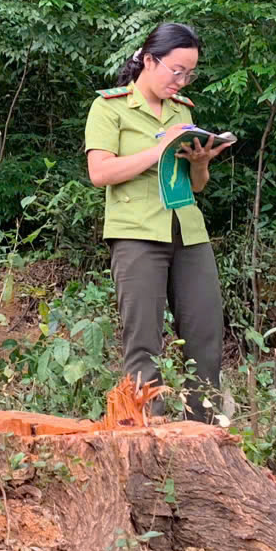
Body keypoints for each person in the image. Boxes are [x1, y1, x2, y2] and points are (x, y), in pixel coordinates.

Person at [84, 22, 231, 422]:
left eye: (190, 73)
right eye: (176, 70)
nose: (182, 80)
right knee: (144, 342)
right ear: (149, 60)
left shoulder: (182, 110)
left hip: (188, 230)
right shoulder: (110, 107)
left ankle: (203, 433)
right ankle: (147, 432)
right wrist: (159, 147)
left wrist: (200, 163)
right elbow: (100, 173)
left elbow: (196, 186)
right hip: (136, 234)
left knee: (205, 335)